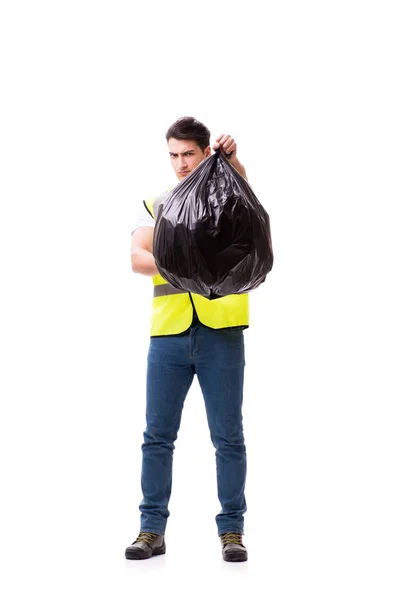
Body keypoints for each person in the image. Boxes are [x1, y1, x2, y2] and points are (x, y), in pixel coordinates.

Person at [126, 117, 250, 562]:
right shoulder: (157, 203)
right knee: (157, 437)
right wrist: (188, 259)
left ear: (205, 153)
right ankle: (151, 530)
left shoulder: (227, 202)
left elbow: (252, 227)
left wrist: (235, 165)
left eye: (189, 154)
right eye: (174, 155)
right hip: (169, 337)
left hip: (221, 334)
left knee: (228, 437)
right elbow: (138, 258)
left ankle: (232, 532)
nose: (180, 164)